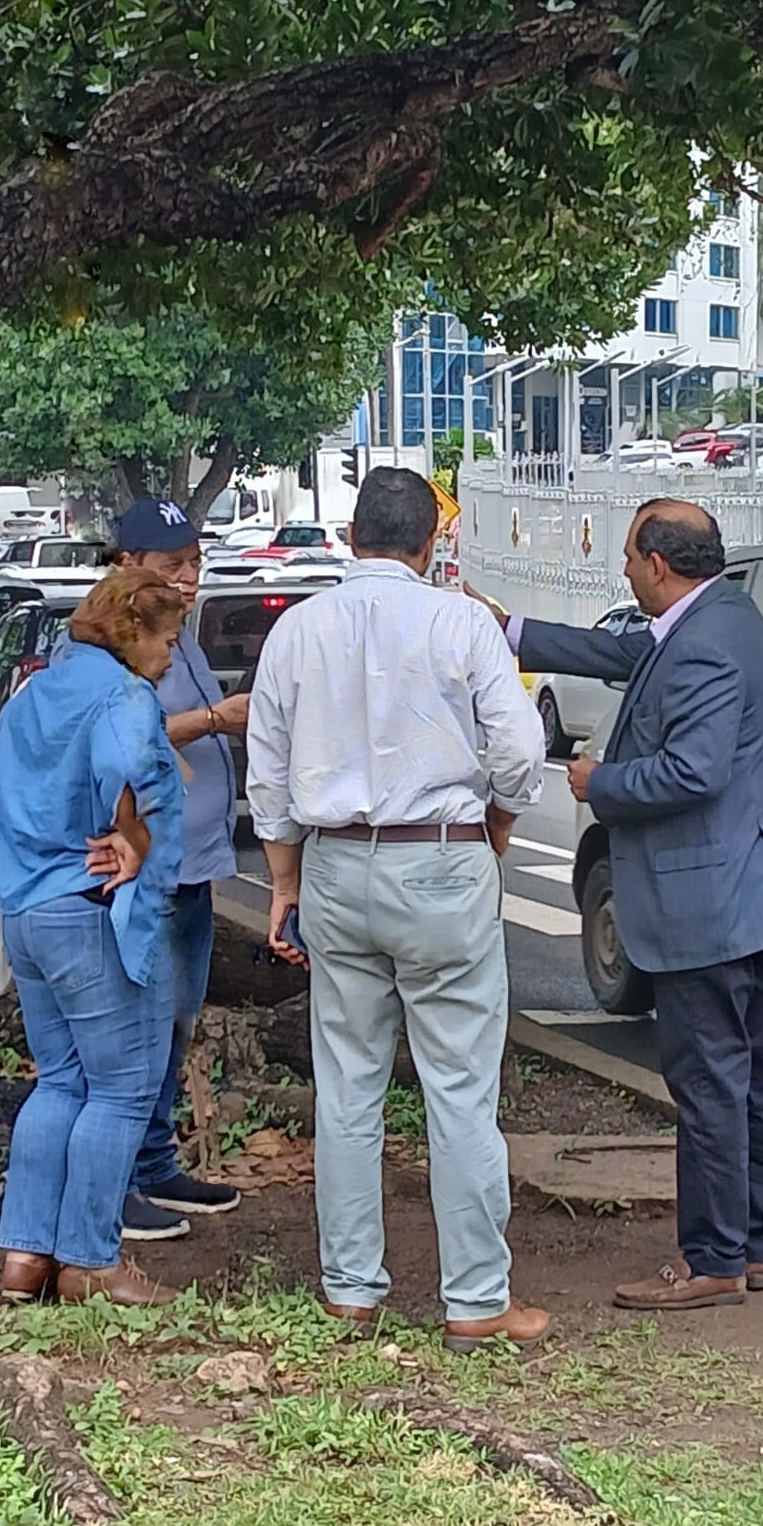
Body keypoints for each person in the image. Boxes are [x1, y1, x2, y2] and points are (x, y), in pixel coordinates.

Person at [469, 500, 763, 1310]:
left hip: (709, 906)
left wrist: (599, 783)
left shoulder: (706, 644)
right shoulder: (722, 617)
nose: (622, 569)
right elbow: (624, 653)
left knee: (712, 1084)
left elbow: (694, 772)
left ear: (660, 563)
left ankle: (714, 1259)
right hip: (747, 895)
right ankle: (750, 1245)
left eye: (628, 556)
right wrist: (510, 631)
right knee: (751, 1076)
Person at [247, 466, 550, 1351]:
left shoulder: (297, 631)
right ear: (432, 542)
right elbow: (521, 752)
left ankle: (350, 1288)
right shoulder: (461, 621)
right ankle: (476, 1299)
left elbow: (267, 776)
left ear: (348, 534)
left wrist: (285, 884)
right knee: (459, 1089)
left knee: (347, 1084)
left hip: (337, 863)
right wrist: (494, 822)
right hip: (442, 861)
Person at [0, 568, 185, 1306]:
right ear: (135, 634)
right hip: (87, 907)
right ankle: (91, 1261)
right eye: (167, 641)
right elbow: (129, 765)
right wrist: (135, 839)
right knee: (124, 1087)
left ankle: (25, 1254)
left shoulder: (36, 688)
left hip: (26, 906)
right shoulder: (123, 695)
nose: (169, 658)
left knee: (60, 1081)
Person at [82, 498, 248, 1243]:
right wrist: (216, 721)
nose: (189, 578)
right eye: (172, 565)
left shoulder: (179, 637)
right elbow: (123, 734)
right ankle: (116, 1186)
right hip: (147, 871)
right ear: (130, 565)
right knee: (135, 1030)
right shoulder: (116, 643)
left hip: (195, 864)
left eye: (196, 563)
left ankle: (155, 1161)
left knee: (176, 1023)